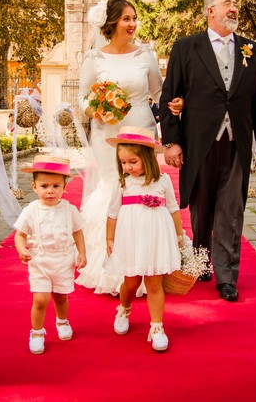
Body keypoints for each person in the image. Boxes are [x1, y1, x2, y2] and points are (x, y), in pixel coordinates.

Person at [159, 0, 256, 302]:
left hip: (237, 142)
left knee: (231, 210)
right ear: (210, 11)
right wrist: (172, 142)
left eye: (234, 4)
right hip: (199, 143)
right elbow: (169, 96)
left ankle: (227, 276)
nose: (233, 8)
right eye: (226, 4)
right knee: (202, 208)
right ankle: (202, 259)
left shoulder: (252, 50)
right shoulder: (186, 47)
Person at [75, 0, 182, 294]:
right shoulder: (94, 58)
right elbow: (82, 97)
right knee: (115, 186)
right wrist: (95, 109)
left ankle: (146, 263)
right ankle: (109, 268)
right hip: (106, 132)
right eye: (126, 18)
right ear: (112, 23)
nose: (133, 23)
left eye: (134, 18)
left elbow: (159, 92)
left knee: (141, 185)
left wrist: (174, 106)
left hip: (141, 128)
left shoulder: (145, 54)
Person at [104, 127, 184, 352]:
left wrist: (179, 234)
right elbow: (112, 213)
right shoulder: (123, 183)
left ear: (148, 158)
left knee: (154, 283)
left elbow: (173, 209)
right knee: (131, 282)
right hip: (131, 238)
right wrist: (109, 238)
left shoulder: (162, 181)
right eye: (123, 162)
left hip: (155, 239)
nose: (127, 167)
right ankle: (124, 308)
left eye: (133, 162)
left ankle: (157, 326)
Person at [14, 155, 86, 355]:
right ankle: (37, 332)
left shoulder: (69, 210)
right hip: (39, 261)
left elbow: (77, 232)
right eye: (44, 186)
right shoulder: (31, 210)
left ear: (64, 187)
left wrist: (82, 252)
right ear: (34, 186)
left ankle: (62, 321)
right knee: (41, 299)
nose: (50, 191)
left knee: (61, 296)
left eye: (56, 186)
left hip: (63, 260)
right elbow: (20, 234)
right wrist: (22, 249)